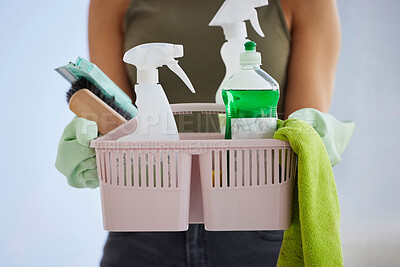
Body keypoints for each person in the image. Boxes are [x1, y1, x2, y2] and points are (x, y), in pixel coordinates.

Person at [86, 0, 340, 266]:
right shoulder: (110, 3)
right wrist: (95, 135)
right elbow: (117, 116)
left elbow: (302, 126)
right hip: (144, 222)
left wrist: (309, 130)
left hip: (259, 218)